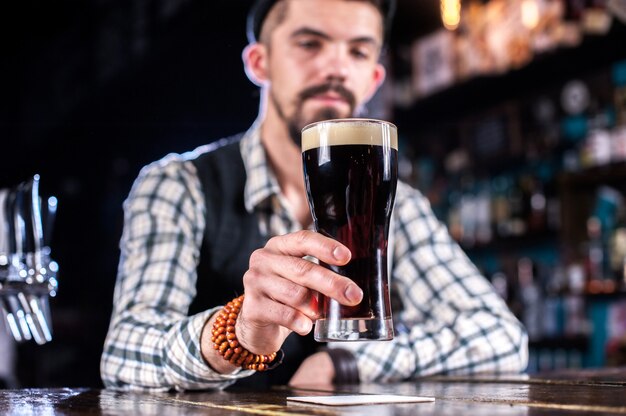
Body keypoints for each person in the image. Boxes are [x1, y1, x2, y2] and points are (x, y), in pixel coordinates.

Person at [100, 0, 528, 391]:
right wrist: (238, 333)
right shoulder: (179, 184)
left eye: (358, 52)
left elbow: (502, 336)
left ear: (373, 79)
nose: (336, 68)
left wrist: (348, 363)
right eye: (310, 44)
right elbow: (123, 353)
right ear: (259, 62)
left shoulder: (397, 206)